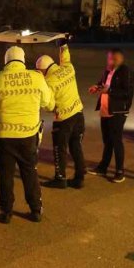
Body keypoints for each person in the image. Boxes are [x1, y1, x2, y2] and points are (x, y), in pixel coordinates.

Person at [0, 45, 54, 224]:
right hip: (28, 135)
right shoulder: (36, 78)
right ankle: (35, 210)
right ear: (23, 60)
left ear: (6, 61)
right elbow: (49, 103)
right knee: (29, 172)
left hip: (4, 136)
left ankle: (6, 212)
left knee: (5, 174)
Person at [36, 44, 86, 189]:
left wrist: (43, 105)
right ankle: (79, 178)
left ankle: (60, 178)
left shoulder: (48, 82)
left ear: (43, 70)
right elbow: (65, 58)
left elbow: (50, 105)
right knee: (76, 146)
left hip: (64, 120)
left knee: (60, 148)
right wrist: (63, 46)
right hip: (78, 114)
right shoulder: (68, 68)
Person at [88, 49, 134, 183]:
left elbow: (127, 93)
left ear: (120, 59)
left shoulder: (126, 72)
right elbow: (103, 84)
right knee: (107, 141)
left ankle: (120, 171)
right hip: (105, 110)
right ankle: (103, 167)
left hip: (117, 112)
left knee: (116, 141)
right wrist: (96, 87)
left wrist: (110, 90)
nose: (110, 61)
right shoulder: (107, 71)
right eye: (109, 58)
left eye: (113, 59)